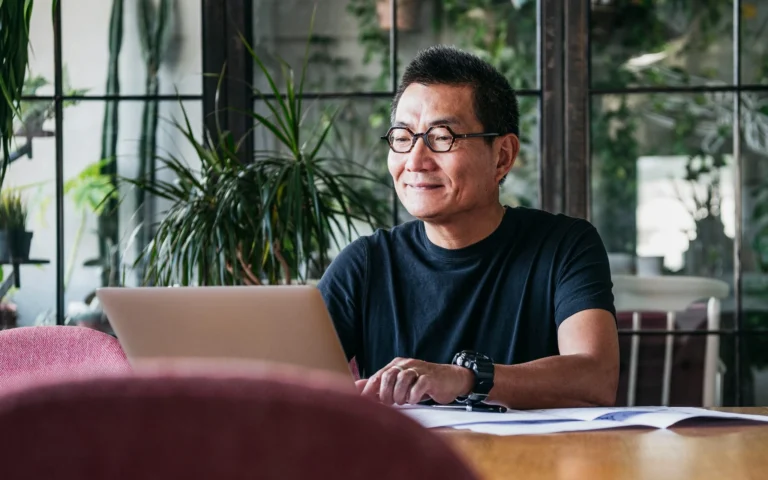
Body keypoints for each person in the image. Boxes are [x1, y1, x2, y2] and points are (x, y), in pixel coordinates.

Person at [317, 45, 619, 410]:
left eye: (442, 137)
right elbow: (287, 385)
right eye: (402, 137)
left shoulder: (563, 246)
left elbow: (595, 378)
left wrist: (465, 378)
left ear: (502, 156)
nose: (415, 160)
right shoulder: (364, 265)